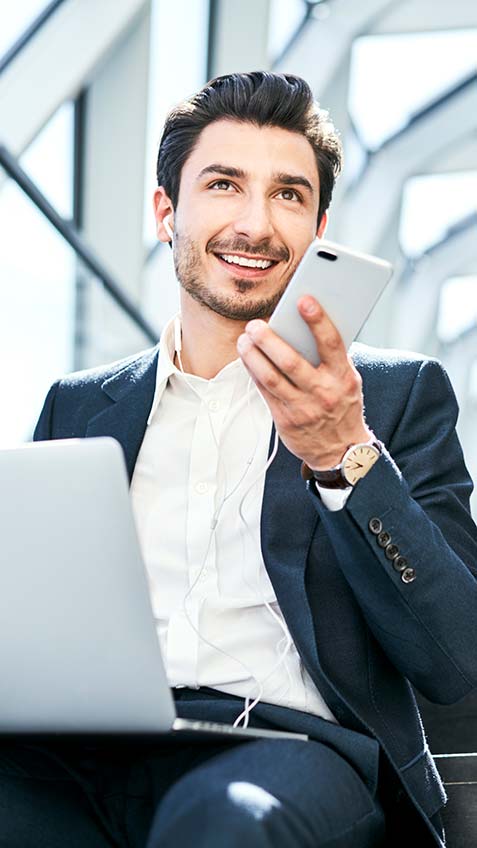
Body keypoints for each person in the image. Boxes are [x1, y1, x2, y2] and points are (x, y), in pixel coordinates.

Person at [5, 71, 477, 848]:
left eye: (288, 195)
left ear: (318, 227)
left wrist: (343, 457)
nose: (255, 224)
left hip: (291, 751)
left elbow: (454, 657)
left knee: (221, 826)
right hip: (76, 752)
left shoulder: (394, 396)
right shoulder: (79, 405)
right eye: (224, 184)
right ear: (166, 211)